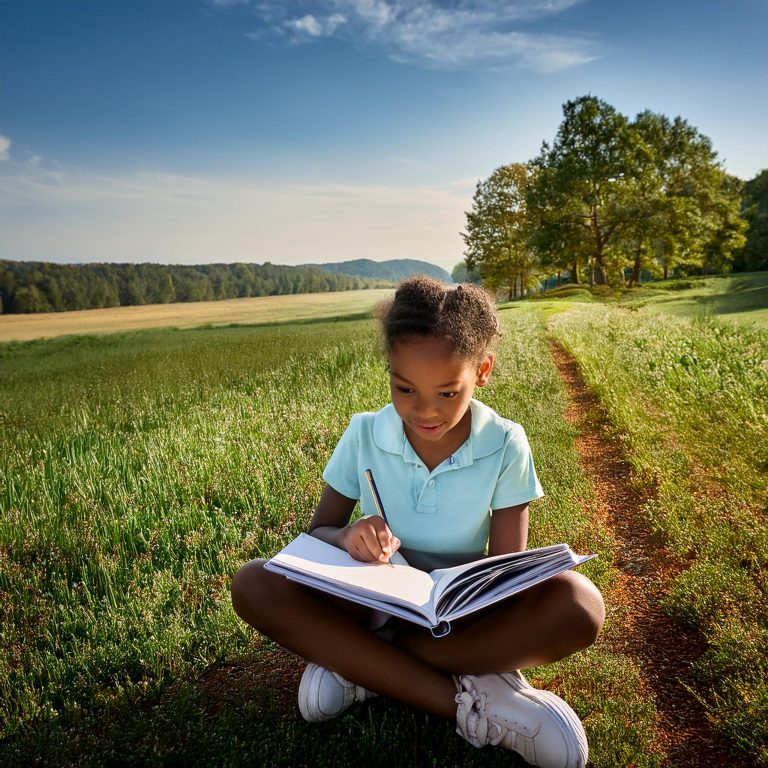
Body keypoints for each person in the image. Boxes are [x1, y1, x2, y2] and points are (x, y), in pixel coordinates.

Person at [231, 276, 605, 768]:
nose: (424, 410)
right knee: (253, 583)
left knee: (580, 604)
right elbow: (316, 535)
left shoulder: (505, 442)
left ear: (482, 371)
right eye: (404, 388)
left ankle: (362, 665)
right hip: (371, 603)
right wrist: (348, 535)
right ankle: (472, 702)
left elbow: (505, 573)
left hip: (459, 619)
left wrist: (470, 608)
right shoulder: (364, 433)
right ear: (389, 371)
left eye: (447, 392)